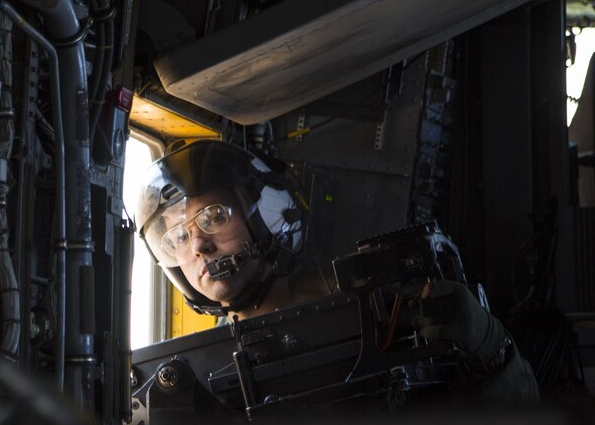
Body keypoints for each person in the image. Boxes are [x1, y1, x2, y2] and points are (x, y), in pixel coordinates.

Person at [134, 139, 538, 402]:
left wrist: (488, 345)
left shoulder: (379, 310)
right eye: (178, 239)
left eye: (213, 218)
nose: (199, 245)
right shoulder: (190, 377)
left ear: (264, 217)